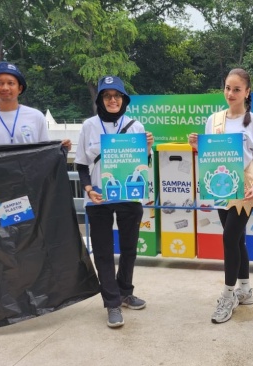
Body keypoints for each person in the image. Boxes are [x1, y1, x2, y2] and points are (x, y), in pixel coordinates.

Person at [188, 68, 253, 324]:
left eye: (236, 89)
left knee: (229, 238)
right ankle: (245, 289)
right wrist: (197, 146)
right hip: (220, 189)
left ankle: (228, 295)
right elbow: (211, 156)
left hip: (243, 190)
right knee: (237, 240)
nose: (230, 93)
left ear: (247, 92)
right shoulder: (214, 120)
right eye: (227, 88)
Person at [74, 75, 154, 328]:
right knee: (104, 251)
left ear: (124, 99)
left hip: (129, 197)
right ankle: (111, 302)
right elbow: (81, 164)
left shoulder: (136, 126)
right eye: (107, 96)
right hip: (99, 197)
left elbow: (144, 164)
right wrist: (88, 188)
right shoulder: (89, 125)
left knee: (129, 248)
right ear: (100, 99)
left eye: (116, 96)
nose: (112, 100)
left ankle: (125, 291)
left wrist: (148, 148)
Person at [0, 61, 71, 156]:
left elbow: (45, 152)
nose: (5, 88)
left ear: (19, 88)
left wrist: (62, 148)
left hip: (29, 182)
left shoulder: (36, 116)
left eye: (11, 83)